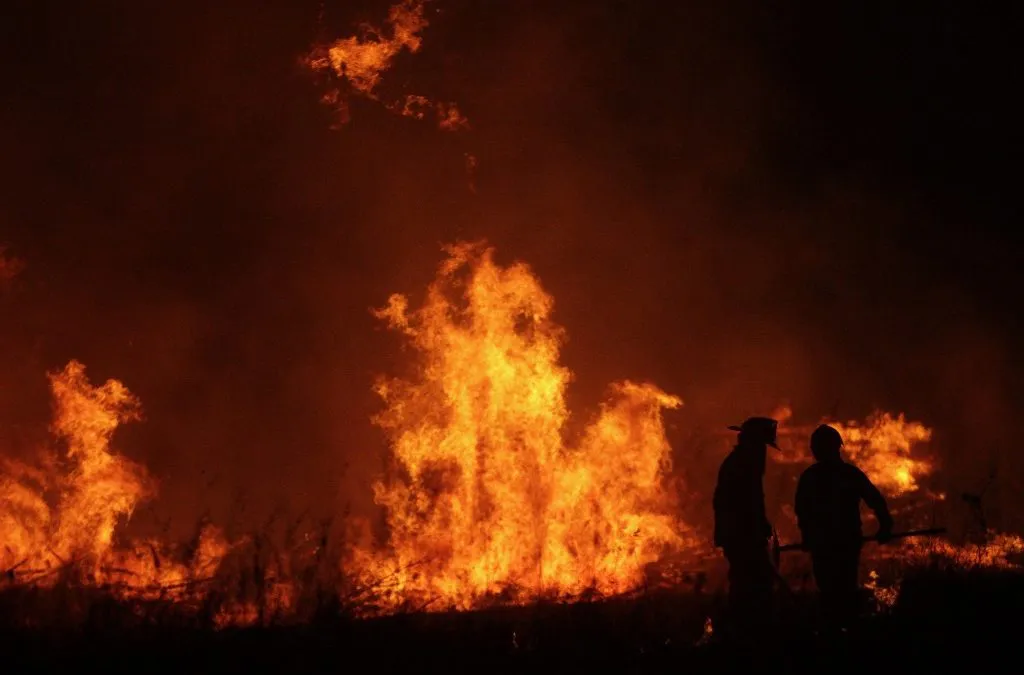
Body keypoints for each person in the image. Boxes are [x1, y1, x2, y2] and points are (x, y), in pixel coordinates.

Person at [795, 424, 894, 630]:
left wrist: (807, 536)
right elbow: (875, 500)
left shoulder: (811, 477)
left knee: (830, 591)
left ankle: (835, 632)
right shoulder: (848, 474)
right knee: (844, 588)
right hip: (844, 542)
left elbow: (802, 512)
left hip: (825, 544)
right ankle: (846, 630)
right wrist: (885, 526)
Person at [713, 416, 779, 640]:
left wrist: (761, 524)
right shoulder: (742, 464)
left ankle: (747, 630)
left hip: (740, 534)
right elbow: (742, 502)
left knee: (752, 582)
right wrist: (755, 527)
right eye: (761, 445)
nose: (763, 451)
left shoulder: (743, 462)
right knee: (750, 583)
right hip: (740, 535)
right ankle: (746, 634)